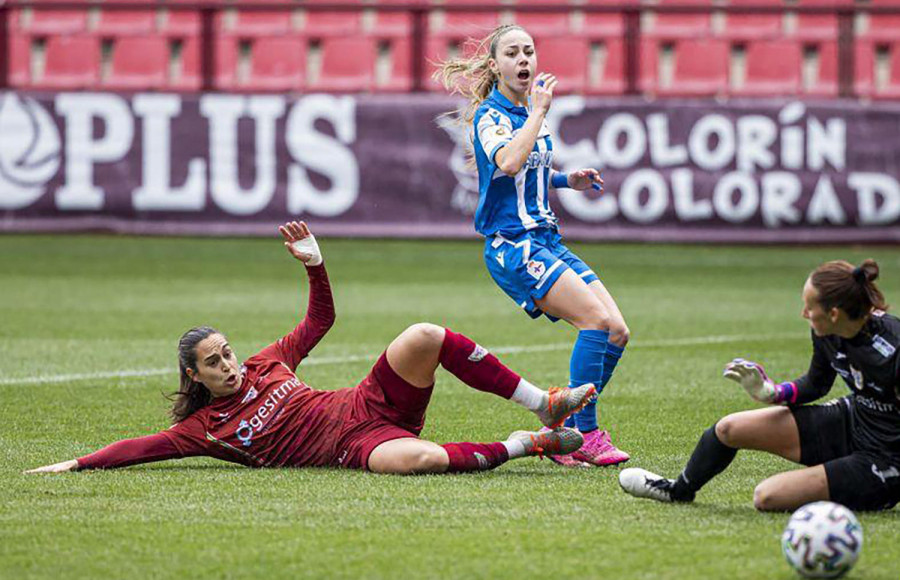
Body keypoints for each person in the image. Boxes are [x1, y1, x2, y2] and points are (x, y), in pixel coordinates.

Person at [26, 221, 597, 476]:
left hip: (368, 402)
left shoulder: (266, 363)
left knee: (424, 334)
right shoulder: (202, 431)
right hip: (358, 447)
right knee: (418, 461)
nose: (228, 364)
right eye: (215, 362)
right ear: (194, 376)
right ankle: (529, 444)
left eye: (227, 352)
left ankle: (539, 402)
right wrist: (77, 462)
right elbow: (141, 448)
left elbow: (321, 318)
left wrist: (316, 266)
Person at [435, 24, 629, 467]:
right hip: (513, 246)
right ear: (495, 66)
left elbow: (530, 172)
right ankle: (589, 433)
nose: (524, 60)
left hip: (546, 239)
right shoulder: (493, 115)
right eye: (513, 53)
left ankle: (556, 431)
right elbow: (507, 162)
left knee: (617, 330)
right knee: (596, 322)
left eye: (529, 52)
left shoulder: (528, 112)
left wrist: (565, 180)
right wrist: (539, 112)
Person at [619, 259, 900, 512]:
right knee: (728, 429)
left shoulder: (893, 346)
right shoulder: (827, 331)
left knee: (767, 497)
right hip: (854, 421)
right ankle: (678, 491)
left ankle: (875, 490)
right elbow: (816, 384)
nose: (804, 313)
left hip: (888, 458)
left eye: (809, 307)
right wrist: (771, 393)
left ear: (834, 313)